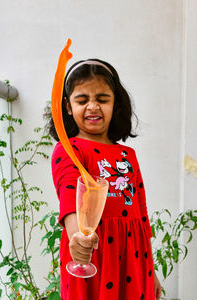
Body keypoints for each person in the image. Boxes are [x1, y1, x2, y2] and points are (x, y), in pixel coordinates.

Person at [48, 58, 162, 300]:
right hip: (92, 255)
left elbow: (141, 214)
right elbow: (69, 195)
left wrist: (151, 271)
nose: (92, 106)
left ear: (115, 104)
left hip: (132, 257)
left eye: (102, 99)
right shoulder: (68, 149)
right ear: (68, 107)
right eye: (82, 100)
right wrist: (77, 236)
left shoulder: (127, 155)